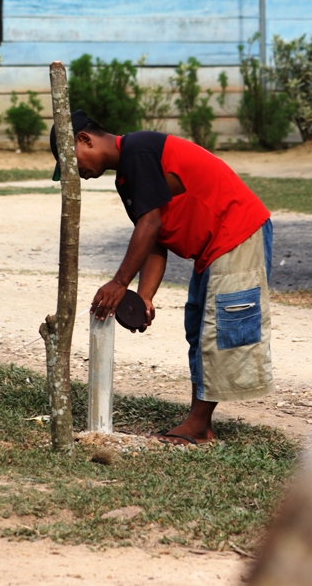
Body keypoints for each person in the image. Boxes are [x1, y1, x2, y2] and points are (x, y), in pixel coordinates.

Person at [50, 109, 273, 446]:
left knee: (221, 329)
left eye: (72, 163)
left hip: (237, 233)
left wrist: (120, 283)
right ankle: (200, 424)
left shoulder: (138, 151)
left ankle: (198, 426)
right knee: (198, 328)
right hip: (212, 248)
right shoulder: (126, 177)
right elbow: (156, 238)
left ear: (85, 139)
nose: (76, 174)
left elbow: (150, 223)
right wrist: (144, 296)